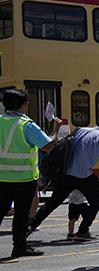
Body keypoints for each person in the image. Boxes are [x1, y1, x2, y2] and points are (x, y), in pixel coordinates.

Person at [28, 114, 99, 240]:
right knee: (96, 202)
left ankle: (29, 228)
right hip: (84, 176)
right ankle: (83, 230)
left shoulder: (80, 130)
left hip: (66, 174)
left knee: (51, 204)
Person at [0, 88, 61, 258]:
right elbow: (48, 146)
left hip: (1, 177)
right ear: (23, 104)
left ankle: (20, 246)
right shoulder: (26, 125)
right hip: (23, 179)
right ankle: (19, 246)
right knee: (21, 215)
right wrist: (56, 129)